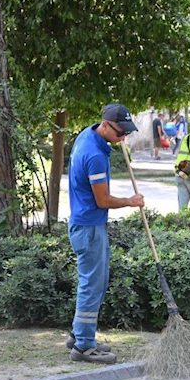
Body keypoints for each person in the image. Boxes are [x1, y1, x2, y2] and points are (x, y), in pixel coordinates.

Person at [66, 103, 145, 364]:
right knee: (93, 284)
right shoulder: (95, 156)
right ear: (105, 125)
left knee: (91, 282)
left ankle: (79, 335)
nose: (123, 138)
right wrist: (131, 201)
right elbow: (103, 200)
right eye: (120, 133)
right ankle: (84, 346)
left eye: (126, 133)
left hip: (86, 224)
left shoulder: (87, 136)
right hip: (89, 227)